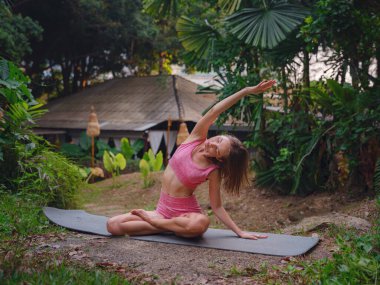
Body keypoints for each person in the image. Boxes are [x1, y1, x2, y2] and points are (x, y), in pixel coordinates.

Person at [107, 79, 276, 239]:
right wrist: (246, 91)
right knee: (112, 225)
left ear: (221, 159)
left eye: (217, 150)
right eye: (217, 140)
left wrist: (239, 232)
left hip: (185, 215)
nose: (212, 145)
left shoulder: (212, 171)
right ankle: (163, 225)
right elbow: (215, 110)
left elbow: (216, 206)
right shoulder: (196, 137)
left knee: (201, 223)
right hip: (162, 211)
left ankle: (160, 225)